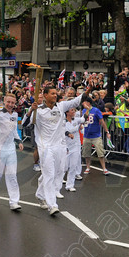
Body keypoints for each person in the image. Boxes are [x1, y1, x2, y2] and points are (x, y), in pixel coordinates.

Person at [26, 81, 94, 215]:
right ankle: (52, 205)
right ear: (45, 95)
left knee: (58, 172)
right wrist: (30, 111)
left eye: (56, 93)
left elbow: (77, 100)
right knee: (50, 174)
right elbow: (26, 123)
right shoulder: (38, 110)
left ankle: (40, 195)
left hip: (60, 146)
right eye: (52, 93)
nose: (55, 95)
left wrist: (88, 90)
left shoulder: (61, 106)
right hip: (45, 147)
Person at [0, 93, 24, 211]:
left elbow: (14, 131)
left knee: (12, 175)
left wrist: (19, 141)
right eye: (8, 102)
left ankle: (14, 202)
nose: (11, 105)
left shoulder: (15, 114)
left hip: (10, 148)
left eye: (13, 103)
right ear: (4, 102)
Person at [81, 96, 109, 175]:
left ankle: (104, 168)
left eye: (84, 102)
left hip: (96, 135)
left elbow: (102, 121)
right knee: (86, 153)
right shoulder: (83, 111)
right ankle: (88, 167)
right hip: (86, 135)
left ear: (88, 103)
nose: (83, 103)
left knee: (100, 152)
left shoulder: (96, 110)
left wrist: (107, 131)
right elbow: (83, 120)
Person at [63, 107, 85, 192]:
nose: (74, 112)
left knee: (73, 166)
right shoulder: (63, 122)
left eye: (74, 110)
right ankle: (56, 186)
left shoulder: (76, 120)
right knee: (64, 167)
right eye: (72, 110)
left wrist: (87, 108)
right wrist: (68, 134)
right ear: (67, 112)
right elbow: (63, 131)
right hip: (65, 146)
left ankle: (70, 185)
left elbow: (84, 118)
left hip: (76, 145)